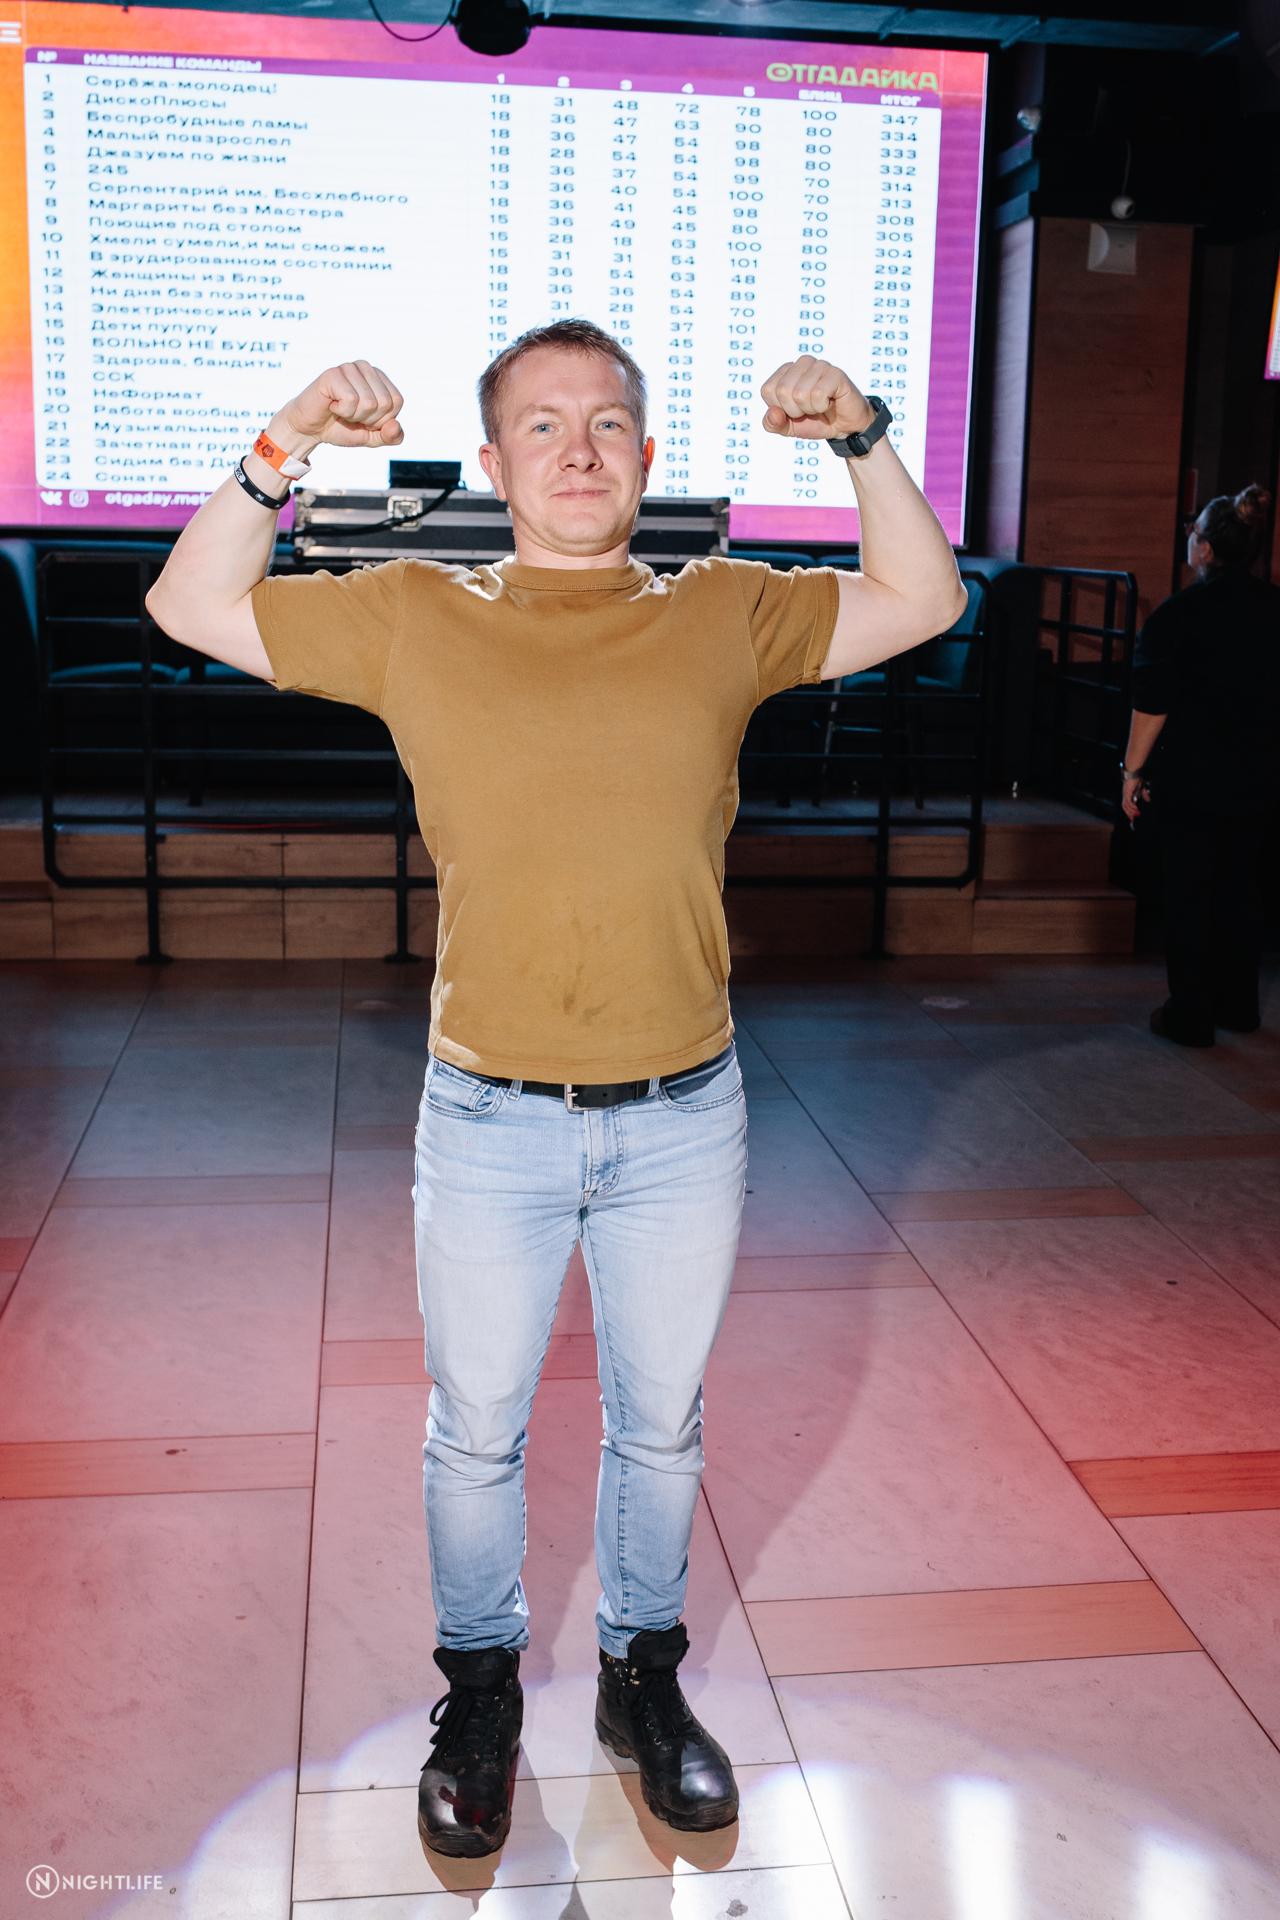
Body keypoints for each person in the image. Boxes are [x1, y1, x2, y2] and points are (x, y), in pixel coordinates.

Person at [145, 320, 965, 1857]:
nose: (576, 449)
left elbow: (925, 598)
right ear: (496, 462)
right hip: (488, 1117)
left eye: (604, 424)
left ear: (646, 458)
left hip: (683, 1115)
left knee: (661, 1427)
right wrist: (286, 435)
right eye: (540, 424)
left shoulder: (724, 610)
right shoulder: (414, 616)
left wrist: (861, 436)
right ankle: (480, 1695)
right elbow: (189, 603)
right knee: (477, 1432)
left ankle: (641, 1682)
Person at [1122, 484, 1279, 1046]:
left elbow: (1152, 704)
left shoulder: (1179, 615)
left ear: (1206, 548)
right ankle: (1239, 1006)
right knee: (1243, 889)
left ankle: (1190, 1015)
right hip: (1262, 775)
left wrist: (1132, 774)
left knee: (1191, 892)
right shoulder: (1275, 609)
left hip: (1193, 776)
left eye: (1192, 533)